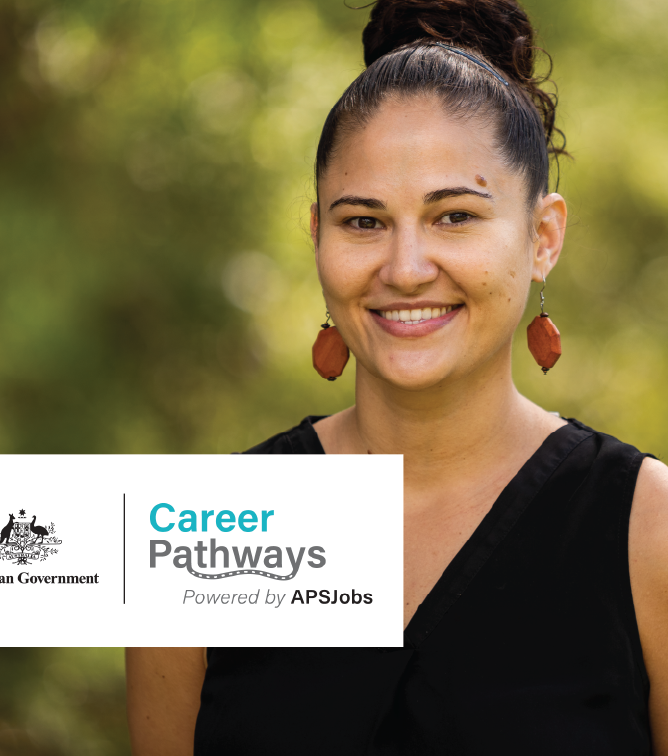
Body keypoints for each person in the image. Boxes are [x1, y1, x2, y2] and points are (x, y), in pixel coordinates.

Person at [126, 0, 668, 753]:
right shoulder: (194, 540)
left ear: (543, 237)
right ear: (317, 234)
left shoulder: (650, 532)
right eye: (363, 222)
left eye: (454, 218)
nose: (406, 270)